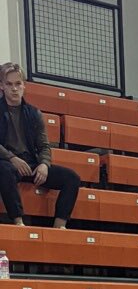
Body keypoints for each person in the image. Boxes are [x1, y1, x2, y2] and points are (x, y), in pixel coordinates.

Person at [0, 62, 80, 228]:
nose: (14, 89)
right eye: (9, 84)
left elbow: (44, 145)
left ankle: (60, 226)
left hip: (31, 163)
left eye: (18, 84)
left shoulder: (34, 113)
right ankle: (18, 221)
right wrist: (12, 158)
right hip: (8, 163)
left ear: (24, 86)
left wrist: (44, 164)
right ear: (2, 86)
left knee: (71, 178)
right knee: (3, 170)